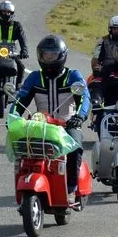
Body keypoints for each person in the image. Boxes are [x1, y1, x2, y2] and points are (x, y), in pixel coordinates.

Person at [10, 35, 90, 208]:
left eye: (53, 55)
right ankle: (26, 183)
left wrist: (80, 116)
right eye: (46, 55)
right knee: (23, 148)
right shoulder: (34, 78)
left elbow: (84, 97)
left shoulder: (72, 76)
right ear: (40, 56)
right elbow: (20, 100)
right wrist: (13, 118)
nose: (49, 58)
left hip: (67, 124)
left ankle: (70, 189)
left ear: (62, 55)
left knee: (75, 147)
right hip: (40, 126)